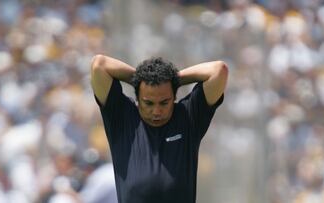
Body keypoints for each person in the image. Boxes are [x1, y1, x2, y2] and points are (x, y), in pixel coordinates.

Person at [90, 55, 228, 203]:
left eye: (164, 102)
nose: (156, 111)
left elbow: (219, 70)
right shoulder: (121, 117)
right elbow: (99, 65)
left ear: (174, 97)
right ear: (137, 98)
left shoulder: (188, 117)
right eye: (148, 103)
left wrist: (173, 80)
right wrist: (140, 79)